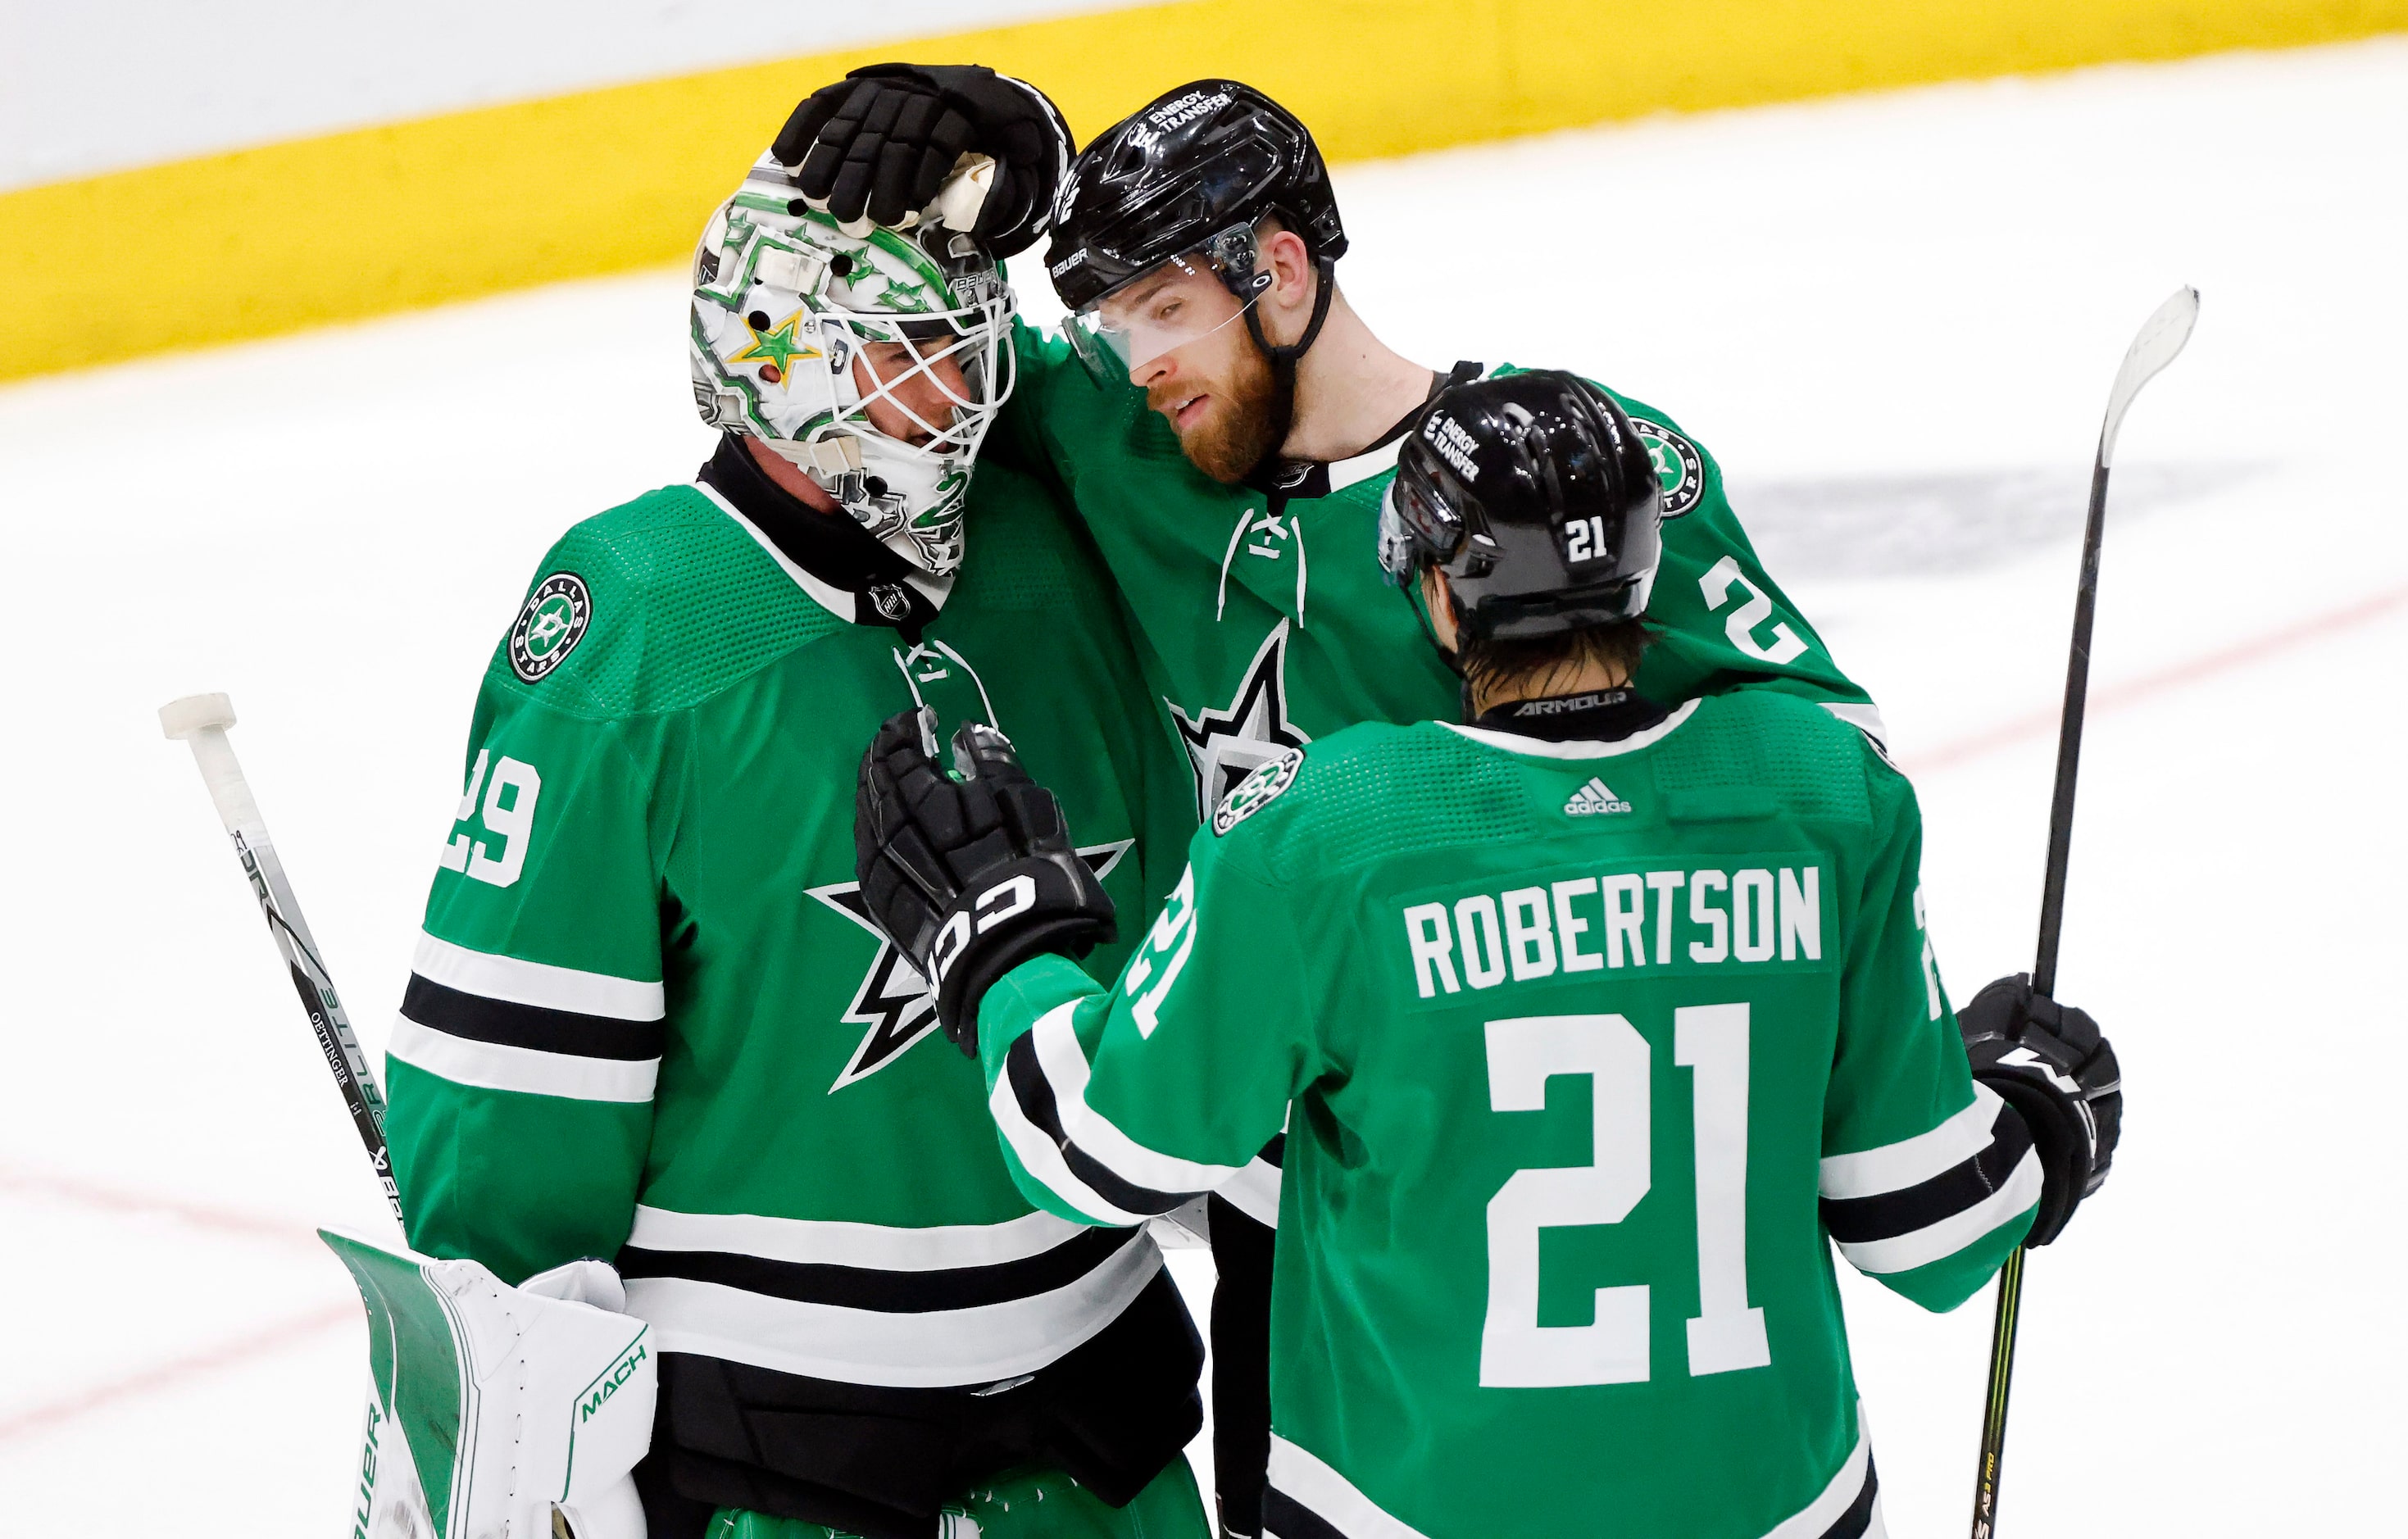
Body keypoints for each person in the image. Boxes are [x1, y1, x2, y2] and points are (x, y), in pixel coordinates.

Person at [780, 70, 1890, 1537]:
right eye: (1115, 324)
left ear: (1283, 270)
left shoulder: (1555, 485)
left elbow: (1819, 762)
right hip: (1274, 1214)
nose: (1136, 358)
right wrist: (1010, 139)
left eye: (1164, 309)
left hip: (1544, 1204)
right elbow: (914, 367)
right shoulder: (1140, 432)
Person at [852, 371, 2124, 1539]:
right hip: (1778, 1507)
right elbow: (1933, 1225)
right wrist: (2042, 1107)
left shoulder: (1330, 832)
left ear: (1437, 590)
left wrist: (1004, 938)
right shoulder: (1820, 793)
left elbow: (1102, 1146)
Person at [381, 143, 1211, 1539]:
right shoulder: (643, 616)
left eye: (977, 344)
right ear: (789, 364)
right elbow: (513, 1098)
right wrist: (503, 1404)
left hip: (1104, 1409)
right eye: (919, 356)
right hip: (781, 1448)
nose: (978, 393)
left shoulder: (1057, 552)